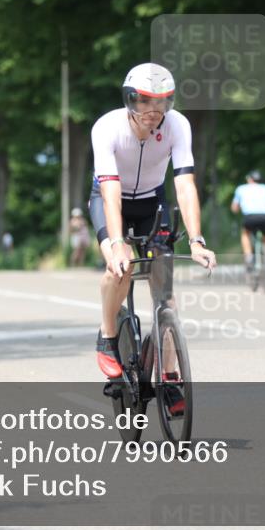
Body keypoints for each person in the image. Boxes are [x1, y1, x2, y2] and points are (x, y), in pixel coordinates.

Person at [89, 62, 216, 380]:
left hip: (151, 202)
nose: (152, 110)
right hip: (109, 200)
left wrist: (197, 240)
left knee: (166, 294)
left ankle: (170, 376)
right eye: (143, 100)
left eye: (161, 102)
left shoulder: (178, 125)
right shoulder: (107, 127)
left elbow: (185, 186)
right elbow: (110, 192)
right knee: (122, 268)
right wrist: (118, 245)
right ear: (129, 100)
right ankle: (107, 337)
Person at [230, 170, 265, 273]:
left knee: (245, 233)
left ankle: (249, 257)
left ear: (250, 179)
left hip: (250, 217)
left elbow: (234, 208)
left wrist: (237, 210)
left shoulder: (241, 188)